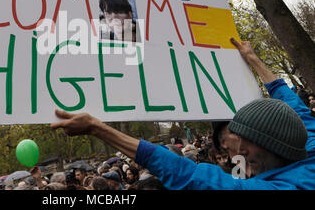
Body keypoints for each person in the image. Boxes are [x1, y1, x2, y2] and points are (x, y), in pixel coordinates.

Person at [51, 38, 315, 189]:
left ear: (268, 144)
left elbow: (190, 175)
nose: (236, 153)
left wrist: (99, 128)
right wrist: (253, 59)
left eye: (241, 146)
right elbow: (291, 101)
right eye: (228, 144)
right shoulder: (305, 139)